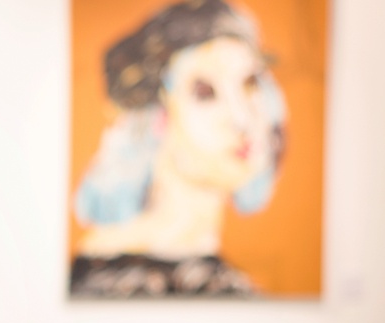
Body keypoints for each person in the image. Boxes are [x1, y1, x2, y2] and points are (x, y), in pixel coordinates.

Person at [70, 0, 286, 298]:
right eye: (204, 92)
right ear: (158, 114)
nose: (243, 120)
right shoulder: (101, 279)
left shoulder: (231, 287)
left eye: (250, 83)